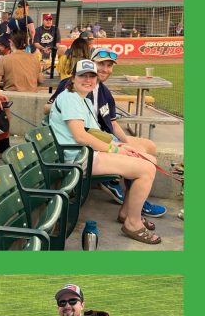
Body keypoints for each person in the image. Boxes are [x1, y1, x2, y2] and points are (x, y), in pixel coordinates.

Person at [48, 61, 160, 244]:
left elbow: (95, 133)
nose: (87, 79)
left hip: (85, 153)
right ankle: (133, 223)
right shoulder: (69, 97)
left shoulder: (82, 98)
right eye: (82, 75)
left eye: (91, 76)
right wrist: (115, 149)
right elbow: (81, 136)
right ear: (73, 78)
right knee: (146, 169)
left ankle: (127, 213)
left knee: (149, 159)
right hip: (78, 157)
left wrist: (122, 147)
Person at [80, 47, 167, 220]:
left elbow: (112, 122)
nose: (105, 69)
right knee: (142, 159)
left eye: (109, 65)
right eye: (101, 64)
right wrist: (65, 109)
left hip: (105, 136)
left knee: (149, 146)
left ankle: (130, 198)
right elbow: (50, 108)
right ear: (90, 64)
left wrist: (127, 142)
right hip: (95, 142)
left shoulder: (103, 90)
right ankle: (127, 199)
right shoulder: (77, 85)